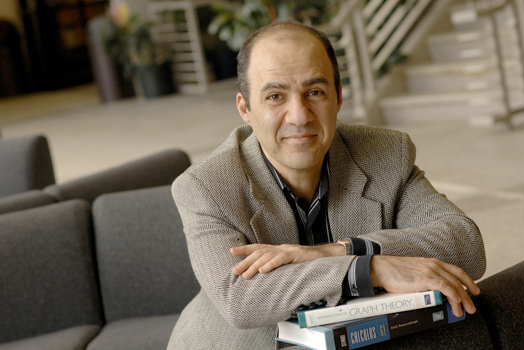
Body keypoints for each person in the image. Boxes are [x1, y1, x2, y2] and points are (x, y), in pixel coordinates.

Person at [167, 21, 486, 350]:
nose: (299, 116)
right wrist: (367, 269)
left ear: (338, 97)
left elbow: (465, 244)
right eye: (275, 96)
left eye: (315, 92)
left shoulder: (387, 154)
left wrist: (339, 249)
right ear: (245, 108)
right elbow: (240, 299)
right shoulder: (204, 186)